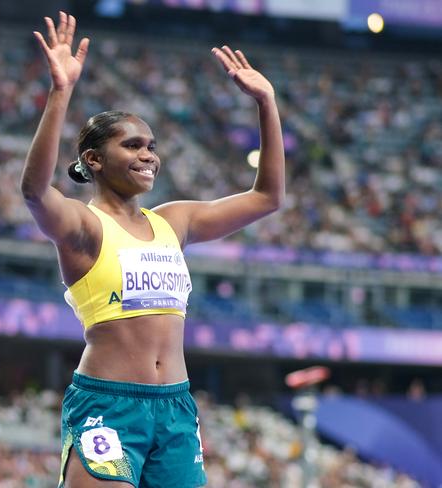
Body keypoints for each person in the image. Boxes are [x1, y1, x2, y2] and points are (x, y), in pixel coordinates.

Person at [21, 11, 284, 488]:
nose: (148, 155)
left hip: (177, 408)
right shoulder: (84, 225)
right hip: (108, 405)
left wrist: (266, 102)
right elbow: (36, 192)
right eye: (133, 145)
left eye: (152, 146)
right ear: (94, 160)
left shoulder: (173, 221)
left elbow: (267, 197)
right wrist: (61, 92)